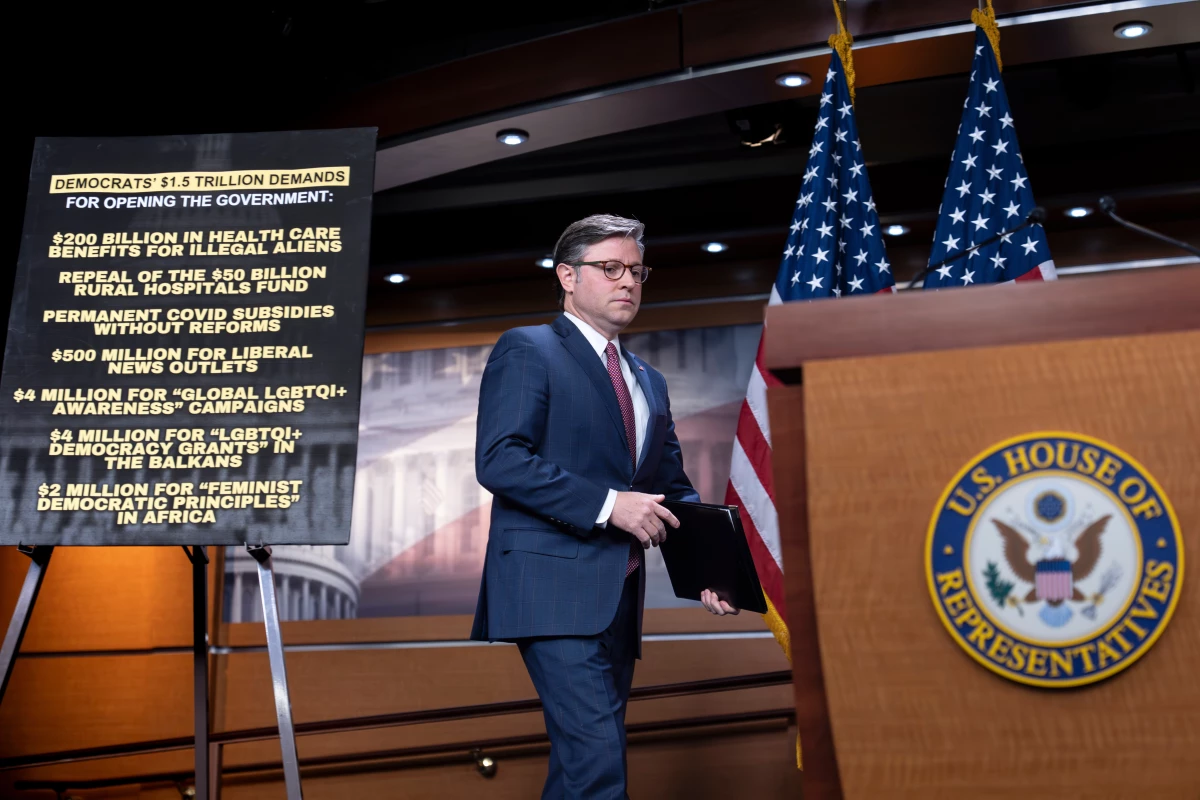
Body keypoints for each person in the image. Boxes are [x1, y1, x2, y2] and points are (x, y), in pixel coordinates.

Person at [470, 214, 738, 799]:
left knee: (581, 765)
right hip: (550, 590)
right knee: (597, 762)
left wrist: (710, 570)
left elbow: (671, 489)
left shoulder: (649, 379)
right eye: (610, 268)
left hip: (619, 595)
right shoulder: (528, 348)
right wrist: (608, 504)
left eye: (637, 271)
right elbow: (500, 459)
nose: (628, 282)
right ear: (567, 276)